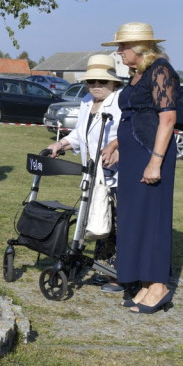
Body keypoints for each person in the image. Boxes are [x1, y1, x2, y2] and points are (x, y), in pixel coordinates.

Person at [102, 22, 180, 314]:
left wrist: (155, 162)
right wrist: (116, 146)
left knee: (153, 220)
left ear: (139, 48)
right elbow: (135, 117)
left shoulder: (161, 70)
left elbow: (167, 119)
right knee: (136, 219)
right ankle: (146, 284)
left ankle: (159, 287)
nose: (119, 52)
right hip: (134, 156)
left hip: (151, 156)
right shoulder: (139, 74)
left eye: (122, 47)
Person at [48, 53, 124, 291]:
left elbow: (130, 134)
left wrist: (118, 149)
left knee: (114, 225)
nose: (96, 86)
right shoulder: (85, 104)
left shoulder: (121, 103)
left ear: (114, 82)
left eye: (102, 82)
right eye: (92, 82)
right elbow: (79, 136)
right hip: (91, 175)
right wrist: (60, 145)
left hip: (116, 175)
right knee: (99, 221)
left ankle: (119, 276)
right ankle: (103, 268)